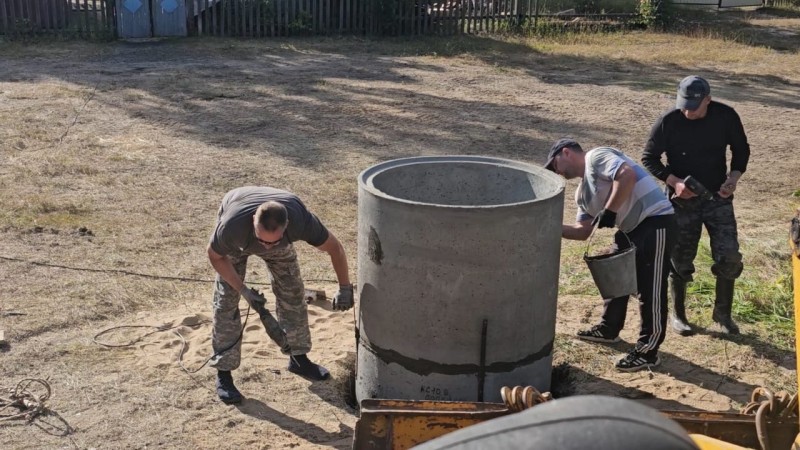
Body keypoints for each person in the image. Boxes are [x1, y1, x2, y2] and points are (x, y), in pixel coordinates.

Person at [207, 186, 354, 404]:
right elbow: (215, 256)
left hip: (271, 233)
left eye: (272, 242)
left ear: (287, 228)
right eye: (263, 241)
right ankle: (224, 373)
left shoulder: (300, 220)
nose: (266, 247)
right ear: (253, 221)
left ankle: (298, 358)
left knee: (293, 293)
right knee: (226, 302)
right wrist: (243, 290)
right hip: (238, 244)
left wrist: (344, 287)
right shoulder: (232, 227)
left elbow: (335, 248)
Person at [545, 139, 675, 372]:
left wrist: (610, 210)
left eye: (554, 163)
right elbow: (583, 231)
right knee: (615, 275)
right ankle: (609, 329)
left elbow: (626, 175)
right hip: (629, 229)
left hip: (655, 221)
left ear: (566, 152)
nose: (555, 170)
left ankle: (648, 351)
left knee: (650, 287)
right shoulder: (582, 194)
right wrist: (546, 227)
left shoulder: (597, 156)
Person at [642, 76, 750, 336]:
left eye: (694, 105)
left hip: (718, 198)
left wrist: (732, 179)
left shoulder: (726, 117)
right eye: (684, 104)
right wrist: (674, 182)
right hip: (682, 202)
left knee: (730, 256)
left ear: (708, 100)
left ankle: (722, 314)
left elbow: (741, 150)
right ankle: (678, 315)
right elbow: (649, 158)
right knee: (679, 259)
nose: (688, 111)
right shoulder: (668, 121)